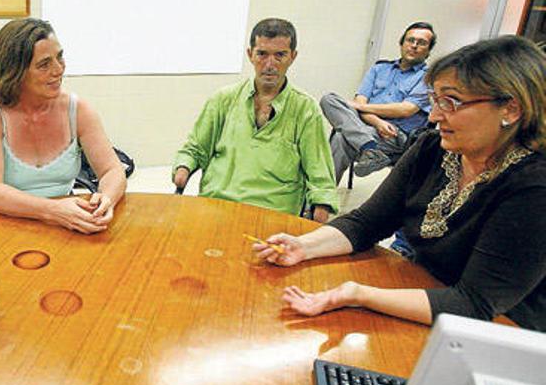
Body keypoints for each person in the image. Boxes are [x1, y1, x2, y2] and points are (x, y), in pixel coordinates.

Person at [254, 36, 546, 332]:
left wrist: (358, 294)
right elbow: (366, 223)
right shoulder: (433, 149)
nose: (434, 115)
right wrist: (303, 246)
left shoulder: (534, 187)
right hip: (425, 300)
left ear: (510, 109)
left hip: (502, 333)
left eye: (451, 102)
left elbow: (473, 304)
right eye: (435, 99)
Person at [0, 18, 127, 234]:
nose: (58, 69)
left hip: (62, 216)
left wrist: (106, 199)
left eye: (59, 57)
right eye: (44, 64)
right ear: (15, 72)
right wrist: (52, 210)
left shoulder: (77, 109)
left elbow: (112, 170)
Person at [172, 18, 338, 222]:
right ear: (250, 54)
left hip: (272, 218)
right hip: (216, 207)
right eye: (262, 54)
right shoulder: (223, 99)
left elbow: (320, 175)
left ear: (293, 57)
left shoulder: (306, 110)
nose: (270, 64)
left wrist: (321, 209)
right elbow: (195, 148)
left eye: (280, 55)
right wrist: (183, 168)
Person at [320, 22, 436, 182]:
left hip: (395, 134)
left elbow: (405, 110)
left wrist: (360, 108)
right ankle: (369, 149)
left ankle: (322, 201)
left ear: (429, 50)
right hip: (367, 126)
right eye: (410, 40)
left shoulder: (429, 77)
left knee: (342, 137)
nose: (414, 46)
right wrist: (376, 121)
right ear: (402, 43)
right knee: (329, 98)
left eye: (421, 43)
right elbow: (360, 100)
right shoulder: (379, 69)